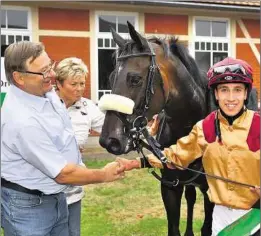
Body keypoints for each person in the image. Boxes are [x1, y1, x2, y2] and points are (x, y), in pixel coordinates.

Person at [116, 57, 260, 236]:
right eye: (224, 90)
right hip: (221, 219)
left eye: (237, 90)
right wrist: (135, 163)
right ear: (216, 94)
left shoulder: (258, 126)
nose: (231, 98)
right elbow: (175, 156)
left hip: (255, 216)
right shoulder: (205, 127)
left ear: (246, 93)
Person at [1, 41, 125, 236]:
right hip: (29, 208)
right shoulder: (22, 121)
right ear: (19, 78)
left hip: (56, 197)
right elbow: (63, 174)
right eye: (44, 71)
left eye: (50, 65)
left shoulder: (44, 92)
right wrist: (103, 174)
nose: (52, 75)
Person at [54, 57, 105, 236]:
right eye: (73, 84)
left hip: (73, 189)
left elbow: (109, 130)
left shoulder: (87, 107)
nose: (79, 89)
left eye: (82, 83)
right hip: (45, 191)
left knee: (73, 233)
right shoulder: (45, 105)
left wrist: (147, 129)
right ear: (58, 83)